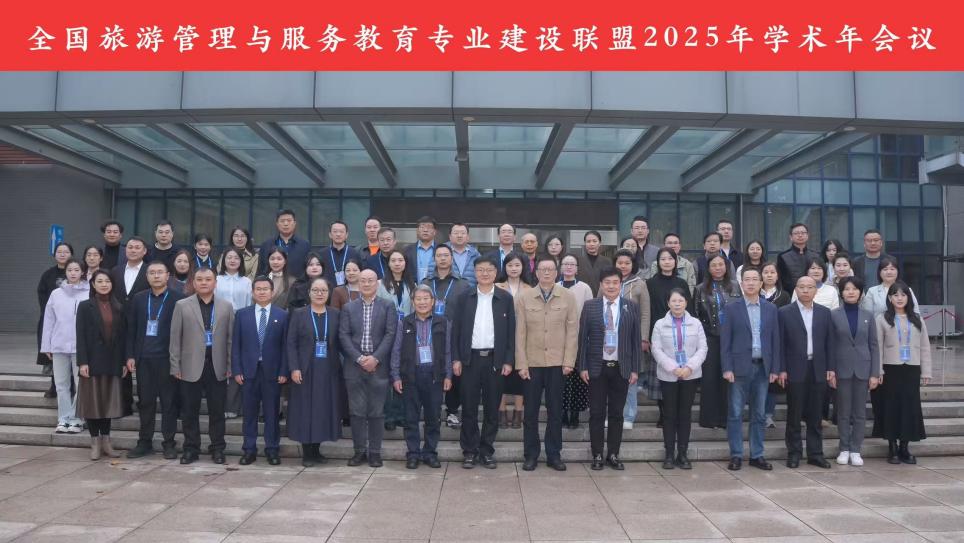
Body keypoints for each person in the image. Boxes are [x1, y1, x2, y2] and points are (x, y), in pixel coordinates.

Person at [515, 256, 580, 471]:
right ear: (536, 273)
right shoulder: (524, 297)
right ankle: (531, 455)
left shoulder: (568, 297)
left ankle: (554, 454)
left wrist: (569, 361)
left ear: (556, 272)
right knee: (530, 413)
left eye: (550, 269)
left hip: (557, 364)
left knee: (555, 412)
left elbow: (572, 331)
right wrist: (521, 363)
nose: (546, 272)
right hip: (532, 364)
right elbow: (519, 333)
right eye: (542, 269)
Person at [453, 254, 515, 469]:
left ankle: (487, 450)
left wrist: (508, 360)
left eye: (489, 269)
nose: (485, 273)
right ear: (475, 273)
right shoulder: (465, 297)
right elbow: (456, 330)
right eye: (480, 270)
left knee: (491, 409)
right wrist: (456, 358)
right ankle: (469, 451)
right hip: (469, 360)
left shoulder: (505, 298)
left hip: (495, 361)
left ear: (496, 272)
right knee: (469, 408)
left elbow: (511, 332)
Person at [577, 267, 641, 470]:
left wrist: (635, 369)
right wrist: (582, 366)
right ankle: (597, 454)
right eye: (607, 282)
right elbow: (582, 339)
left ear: (621, 284)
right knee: (596, 413)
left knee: (616, 414)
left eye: (615, 282)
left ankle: (613, 454)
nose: (611, 286)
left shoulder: (630, 306)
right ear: (601, 285)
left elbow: (635, 340)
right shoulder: (590, 306)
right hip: (597, 368)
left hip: (621, 368)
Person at [170, 267, 234, 465]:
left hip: (217, 366)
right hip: (189, 366)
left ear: (215, 282)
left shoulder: (226, 306)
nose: (204, 282)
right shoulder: (182, 305)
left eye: (208, 279)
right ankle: (191, 448)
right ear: (193, 283)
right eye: (199, 279)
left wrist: (230, 365)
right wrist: (175, 365)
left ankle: (217, 448)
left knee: (217, 411)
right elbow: (175, 338)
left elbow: (230, 339)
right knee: (190, 411)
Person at [721, 267, 781, 471]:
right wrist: (727, 367)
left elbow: (775, 340)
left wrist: (775, 368)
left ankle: (757, 455)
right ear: (741, 283)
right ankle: (736, 455)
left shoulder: (771, 309)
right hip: (738, 369)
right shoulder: (731, 308)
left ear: (761, 283)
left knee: (759, 414)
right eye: (747, 279)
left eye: (755, 279)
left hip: (763, 368)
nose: (751, 283)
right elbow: (725, 341)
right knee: (735, 413)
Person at [339, 269, 398, 467]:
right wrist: (359, 358)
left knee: (376, 413)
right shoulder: (348, 308)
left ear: (377, 283)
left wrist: (375, 358)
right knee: (356, 413)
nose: (366, 284)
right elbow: (344, 335)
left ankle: (374, 453)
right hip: (354, 367)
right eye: (362, 280)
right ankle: (359, 452)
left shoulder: (388, 306)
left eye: (370, 280)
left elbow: (390, 334)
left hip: (378, 367)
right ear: (358, 283)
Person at [125, 260, 184, 459]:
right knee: (146, 402)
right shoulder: (139, 298)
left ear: (168, 276)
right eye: (152, 272)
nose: (156, 276)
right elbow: (131, 328)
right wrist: (130, 355)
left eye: (160, 272)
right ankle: (144, 442)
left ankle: (169, 443)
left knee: (169, 403)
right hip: (144, 359)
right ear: (147, 276)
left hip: (167, 359)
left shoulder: (178, 299)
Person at [391, 285, 453, 469]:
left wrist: (448, 375)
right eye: (418, 299)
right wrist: (395, 376)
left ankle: (430, 453)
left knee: (433, 417)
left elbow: (448, 351)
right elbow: (396, 350)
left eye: (426, 299)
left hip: (435, 375)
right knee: (411, 418)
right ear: (413, 302)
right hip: (411, 375)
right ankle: (413, 454)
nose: (422, 302)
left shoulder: (443, 322)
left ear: (433, 302)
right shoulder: (404, 323)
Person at [287, 276, 343, 467]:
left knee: (322, 409)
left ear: (329, 294)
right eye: (315, 290)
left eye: (324, 290)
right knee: (305, 410)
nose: (320, 294)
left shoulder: (335, 314)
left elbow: (342, 341)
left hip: (328, 369)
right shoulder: (299, 314)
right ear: (309, 292)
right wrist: (294, 367)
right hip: (305, 369)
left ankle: (317, 450)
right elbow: (291, 343)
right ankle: (307, 453)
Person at [778, 275, 833, 469]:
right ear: (796, 289)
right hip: (794, 369)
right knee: (794, 414)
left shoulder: (825, 313)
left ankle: (815, 454)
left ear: (816, 290)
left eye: (810, 287)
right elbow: (780, 344)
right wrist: (781, 369)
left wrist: (830, 368)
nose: (806, 290)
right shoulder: (785, 312)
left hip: (818, 368)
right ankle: (794, 453)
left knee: (816, 415)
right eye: (801, 287)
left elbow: (830, 343)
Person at [233, 276, 289, 465]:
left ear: (272, 292)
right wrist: (237, 369)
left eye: (266, 289)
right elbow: (236, 345)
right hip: (248, 371)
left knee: (272, 414)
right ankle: (249, 450)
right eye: (258, 289)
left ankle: (272, 449)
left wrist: (284, 371)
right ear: (253, 292)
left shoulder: (282, 315)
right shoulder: (242, 315)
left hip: (272, 372)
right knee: (249, 413)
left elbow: (285, 346)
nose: (262, 292)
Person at [875, 281, 931, 464]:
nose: (899, 298)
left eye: (903, 295)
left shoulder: (917, 318)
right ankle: (892, 447)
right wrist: (878, 370)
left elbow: (925, 346)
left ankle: (904, 447)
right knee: (891, 407)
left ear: (909, 297)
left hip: (911, 369)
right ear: (890, 298)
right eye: (895, 295)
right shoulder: (882, 319)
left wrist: (926, 372)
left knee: (909, 407)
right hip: (890, 369)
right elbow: (878, 347)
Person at [652, 288, 708, 469]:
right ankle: (669, 454)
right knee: (669, 415)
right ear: (668, 303)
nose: (677, 304)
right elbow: (656, 349)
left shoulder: (696, 324)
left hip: (690, 375)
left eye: (680, 301)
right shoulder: (660, 324)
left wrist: (689, 367)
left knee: (685, 414)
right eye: (674, 301)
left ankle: (682, 454)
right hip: (668, 375)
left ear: (686, 303)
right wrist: (673, 368)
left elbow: (702, 348)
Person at [75, 270, 126, 460]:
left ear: (112, 284)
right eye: (100, 281)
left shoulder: (118, 306)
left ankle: (106, 442)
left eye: (107, 281)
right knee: (92, 404)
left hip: (112, 361)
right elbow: (80, 335)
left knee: (107, 404)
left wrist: (123, 361)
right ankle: (95, 443)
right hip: (92, 361)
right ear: (93, 284)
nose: (104, 284)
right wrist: (82, 362)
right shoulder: (85, 306)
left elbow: (122, 337)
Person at [829, 276, 880, 466]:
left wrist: (875, 373)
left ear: (860, 293)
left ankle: (856, 449)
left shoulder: (868, 315)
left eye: (855, 289)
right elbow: (830, 345)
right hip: (841, 369)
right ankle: (844, 448)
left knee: (859, 412)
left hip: (863, 369)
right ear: (841, 293)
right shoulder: (833, 315)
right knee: (843, 412)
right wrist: (831, 370)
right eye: (847, 289)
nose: (851, 292)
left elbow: (874, 345)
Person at [646, 248, 693, 428]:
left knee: (680, 376)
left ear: (676, 262)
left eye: (670, 259)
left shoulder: (681, 283)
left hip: (682, 334)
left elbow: (689, 308)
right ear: (658, 262)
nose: (666, 262)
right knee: (662, 378)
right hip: (659, 334)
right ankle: (664, 414)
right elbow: (648, 310)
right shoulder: (650, 283)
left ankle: (678, 414)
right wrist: (648, 336)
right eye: (663, 259)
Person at [695, 254, 742, 430]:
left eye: (721, 264)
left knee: (728, 378)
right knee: (709, 378)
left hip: (731, 338)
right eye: (714, 265)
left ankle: (726, 418)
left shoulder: (736, 286)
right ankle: (709, 419)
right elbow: (696, 313)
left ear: (726, 266)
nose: (718, 268)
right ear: (708, 268)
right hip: (709, 337)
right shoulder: (700, 288)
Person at [41, 258, 88, 434]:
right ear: (65, 272)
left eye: (76, 270)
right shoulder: (56, 294)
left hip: (80, 347)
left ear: (82, 272)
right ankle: (63, 418)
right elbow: (49, 321)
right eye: (70, 270)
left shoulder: (89, 292)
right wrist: (47, 345)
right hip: (59, 344)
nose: (73, 273)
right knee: (61, 384)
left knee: (80, 384)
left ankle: (77, 419)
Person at [613, 249, 652, 430]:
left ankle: (628, 415)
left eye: (627, 263)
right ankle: (614, 415)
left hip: (631, 338)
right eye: (620, 263)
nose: (623, 266)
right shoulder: (608, 281)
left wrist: (643, 338)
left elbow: (645, 313)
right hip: (610, 339)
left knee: (629, 379)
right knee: (612, 380)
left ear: (633, 265)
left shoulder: (640, 284)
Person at [495, 252, 531, 429]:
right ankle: (501, 412)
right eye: (510, 265)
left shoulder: (530, 289)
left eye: (517, 265)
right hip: (501, 337)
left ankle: (518, 412)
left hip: (523, 337)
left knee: (520, 377)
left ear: (523, 267)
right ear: (505, 267)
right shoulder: (496, 286)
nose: (514, 268)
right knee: (500, 376)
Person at [216, 247, 253, 420]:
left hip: (240, 321)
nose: (232, 260)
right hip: (219, 322)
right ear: (223, 261)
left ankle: (233, 405)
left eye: (236, 258)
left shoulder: (246, 281)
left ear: (241, 261)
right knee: (220, 359)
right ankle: (219, 404)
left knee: (236, 360)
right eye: (229, 257)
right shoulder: (217, 279)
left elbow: (249, 303)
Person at [558, 254, 594, 429]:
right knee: (561, 379)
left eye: (572, 264)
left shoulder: (584, 288)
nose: (569, 267)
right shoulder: (555, 286)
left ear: (577, 268)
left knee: (578, 379)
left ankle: (575, 415)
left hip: (579, 338)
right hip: (558, 339)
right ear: (561, 267)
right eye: (566, 263)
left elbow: (590, 312)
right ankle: (562, 413)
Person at [37, 241, 73, 397]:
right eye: (59, 252)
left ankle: (71, 386)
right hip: (52, 319)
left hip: (71, 321)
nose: (62, 254)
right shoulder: (48, 274)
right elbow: (42, 294)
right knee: (53, 355)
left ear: (71, 254)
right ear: (54, 254)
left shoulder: (76, 272)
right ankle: (54, 386)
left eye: (66, 252)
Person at [760, 261, 791, 428]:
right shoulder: (754, 293)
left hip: (776, 340)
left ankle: (768, 415)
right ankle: (758, 413)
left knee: (772, 381)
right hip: (757, 342)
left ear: (777, 275)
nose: (769, 275)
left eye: (772, 272)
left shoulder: (784, 296)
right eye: (766, 272)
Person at [257, 209, 310, 277]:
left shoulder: (304, 245)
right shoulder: (266, 245)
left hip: (297, 283)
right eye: (282, 221)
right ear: (277, 224)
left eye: (289, 221)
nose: (286, 224)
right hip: (271, 283)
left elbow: (308, 269)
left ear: (294, 223)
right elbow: (260, 271)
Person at [776, 223, 821, 293]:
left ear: (808, 235)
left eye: (803, 233)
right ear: (791, 237)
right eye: (796, 233)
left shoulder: (816, 255)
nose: (800, 235)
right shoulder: (783, 256)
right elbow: (781, 280)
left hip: (815, 293)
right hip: (791, 294)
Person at [110, 236, 149, 306]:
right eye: (130, 247)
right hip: (117, 311)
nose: (133, 250)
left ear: (144, 251)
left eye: (137, 248)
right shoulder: (115, 271)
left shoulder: (150, 271)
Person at [323, 220, 362, 289]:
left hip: (349, 292)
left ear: (346, 235)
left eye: (341, 231)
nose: (338, 234)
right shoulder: (322, 253)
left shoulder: (355, 253)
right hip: (326, 291)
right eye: (335, 231)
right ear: (330, 234)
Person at [576, 230, 612, 295]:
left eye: (594, 241)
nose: (591, 244)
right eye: (588, 241)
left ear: (599, 243)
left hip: (602, 296)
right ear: (585, 243)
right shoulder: (578, 261)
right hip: (582, 295)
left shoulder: (607, 262)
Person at [403, 216, 438, 282]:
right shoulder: (407, 250)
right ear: (417, 231)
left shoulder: (441, 250)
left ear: (435, 232)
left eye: (429, 227)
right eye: (422, 227)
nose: (425, 230)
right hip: (413, 287)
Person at [446, 222, 481, 289]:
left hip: (470, 292)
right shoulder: (441, 251)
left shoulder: (475, 254)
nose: (459, 236)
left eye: (463, 233)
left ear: (468, 237)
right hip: (447, 293)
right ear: (450, 236)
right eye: (456, 233)